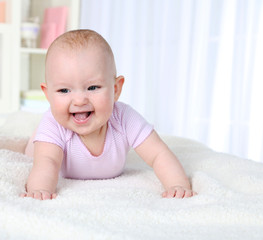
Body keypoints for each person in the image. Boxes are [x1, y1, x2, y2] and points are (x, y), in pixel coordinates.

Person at [22, 29, 196, 200]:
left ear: (116, 89)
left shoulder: (124, 118)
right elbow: (47, 163)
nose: (79, 100)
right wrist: (40, 190)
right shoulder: (53, 124)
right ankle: (28, 142)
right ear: (48, 95)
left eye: (92, 87)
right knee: (33, 150)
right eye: (64, 90)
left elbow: (159, 154)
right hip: (42, 146)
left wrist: (177, 185)